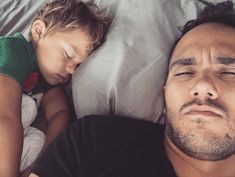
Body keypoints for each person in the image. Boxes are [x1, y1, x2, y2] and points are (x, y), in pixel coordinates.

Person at [29, 0, 235, 177]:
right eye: (184, 72)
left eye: (229, 72)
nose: (202, 85)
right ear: (165, 93)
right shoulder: (92, 143)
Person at [0, 0, 110, 176]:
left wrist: (39, 165)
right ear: (39, 31)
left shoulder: (46, 80)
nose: (72, 70)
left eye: (78, 65)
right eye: (67, 55)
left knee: (38, 139)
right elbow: (5, 117)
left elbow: (61, 113)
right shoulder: (14, 50)